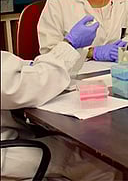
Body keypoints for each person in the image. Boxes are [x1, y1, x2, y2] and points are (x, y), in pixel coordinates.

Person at [1, 15, 120, 180]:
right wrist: (69, 45)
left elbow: (20, 71)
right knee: (105, 164)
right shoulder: (57, 0)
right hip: (9, 153)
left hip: (13, 138)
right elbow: (30, 85)